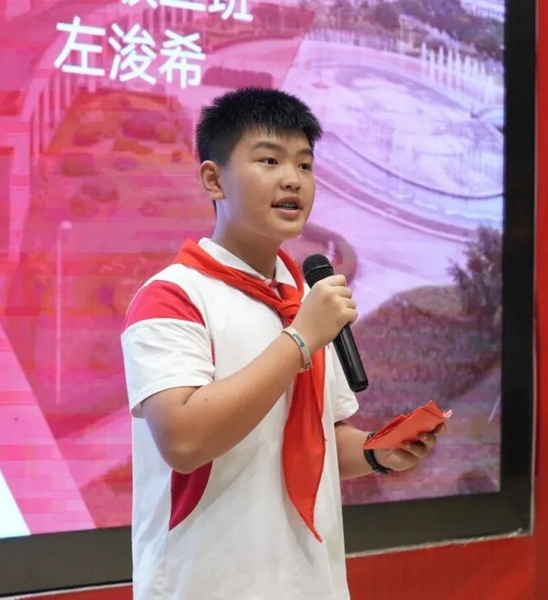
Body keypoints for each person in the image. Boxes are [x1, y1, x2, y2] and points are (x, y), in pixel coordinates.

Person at [120, 87, 445, 600]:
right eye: (269, 160)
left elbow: (318, 440)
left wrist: (378, 452)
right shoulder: (174, 297)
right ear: (214, 179)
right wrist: (299, 340)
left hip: (311, 581)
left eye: (305, 164)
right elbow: (183, 442)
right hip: (206, 585)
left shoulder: (304, 299)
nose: (293, 179)